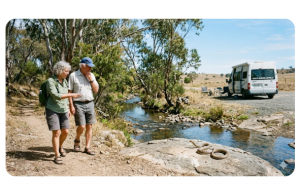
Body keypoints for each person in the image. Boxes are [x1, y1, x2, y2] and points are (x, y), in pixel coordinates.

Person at [46, 61, 82, 165]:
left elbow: (65, 94)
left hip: (63, 110)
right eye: (66, 71)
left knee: (65, 131)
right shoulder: (51, 81)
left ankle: (60, 146)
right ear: (60, 70)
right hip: (52, 110)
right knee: (56, 132)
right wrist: (72, 95)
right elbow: (56, 95)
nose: (67, 73)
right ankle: (57, 155)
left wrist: (67, 107)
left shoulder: (65, 81)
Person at [68, 57, 99, 155]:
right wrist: (71, 106)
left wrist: (91, 80)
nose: (90, 69)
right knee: (81, 126)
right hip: (78, 103)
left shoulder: (92, 75)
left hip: (90, 103)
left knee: (89, 126)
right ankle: (77, 139)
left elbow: (96, 90)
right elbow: (69, 91)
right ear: (82, 66)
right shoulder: (73, 76)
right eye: (89, 67)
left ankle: (87, 147)